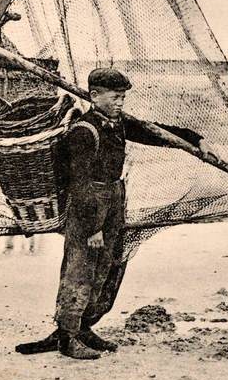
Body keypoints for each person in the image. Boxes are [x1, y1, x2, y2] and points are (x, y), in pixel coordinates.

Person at [16, 68, 215, 359]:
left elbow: (152, 131)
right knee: (80, 268)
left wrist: (195, 139)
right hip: (89, 206)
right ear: (94, 96)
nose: (120, 102)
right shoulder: (84, 131)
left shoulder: (118, 123)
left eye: (123, 97)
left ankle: (84, 327)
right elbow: (79, 185)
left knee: (106, 265)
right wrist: (92, 228)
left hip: (114, 198)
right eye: (114, 97)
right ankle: (67, 336)